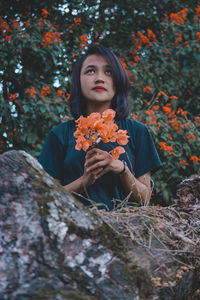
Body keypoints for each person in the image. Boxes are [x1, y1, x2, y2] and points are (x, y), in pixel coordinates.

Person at [38, 45, 162, 210]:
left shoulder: (137, 132)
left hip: (126, 230)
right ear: (78, 81)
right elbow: (47, 199)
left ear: (118, 81)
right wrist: (84, 181)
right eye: (90, 71)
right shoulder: (59, 135)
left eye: (108, 72)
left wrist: (122, 169)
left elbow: (144, 199)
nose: (99, 78)